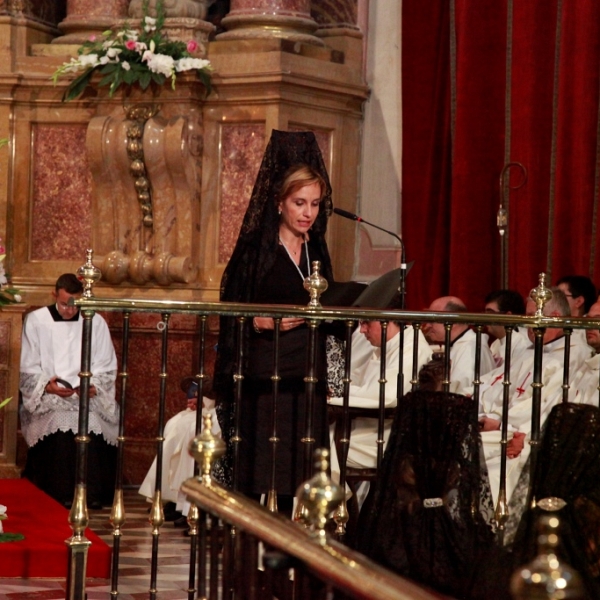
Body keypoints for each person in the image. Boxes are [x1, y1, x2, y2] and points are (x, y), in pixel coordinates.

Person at [215, 130, 335, 512]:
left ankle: (298, 534)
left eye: (315, 204)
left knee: (301, 464)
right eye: (300, 202)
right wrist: (259, 321)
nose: (308, 213)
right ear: (279, 203)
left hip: (307, 370)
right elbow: (231, 308)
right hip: (266, 372)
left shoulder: (316, 249)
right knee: (264, 463)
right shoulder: (256, 250)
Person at [475, 288, 592, 505]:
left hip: (522, 432)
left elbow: (551, 403)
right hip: (498, 423)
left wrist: (504, 424)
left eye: (531, 316)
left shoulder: (570, 354)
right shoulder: (531, 349)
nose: (527, 323)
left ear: (554, 317)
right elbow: (495, 382)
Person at [20, 273, 118, 509]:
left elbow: (107, 365)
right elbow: (28, 366)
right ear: (55, 295)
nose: (70, 311)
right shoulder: (36, 320)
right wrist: (47, 386)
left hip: (87, 394)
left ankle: (92, 493)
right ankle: (58, 491)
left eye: (74, 304)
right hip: (51, 395)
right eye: (65, 304)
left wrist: (94, 387)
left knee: (90, 418)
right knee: (58, 421)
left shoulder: (95, 321)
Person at [328, 318, 432, 482]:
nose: (361, 330)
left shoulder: (411, 347)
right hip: (369, 425)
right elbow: (358, 382)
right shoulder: (389, 343)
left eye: (366, 323)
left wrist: (335, 394)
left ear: (388, 321)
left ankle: (334, 504)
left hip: (388, 435)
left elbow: (387, 397)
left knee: (319, 444)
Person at [139, 377, 220, 524]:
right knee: (174, 424)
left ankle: (187, 505)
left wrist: (205, 399)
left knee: (193, 430)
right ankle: (173, 498)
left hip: (219, 409)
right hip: (211, 404)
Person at [422, 295, 495, 391]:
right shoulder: (461, 345)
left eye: (433, 320)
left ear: (454, 320)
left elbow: (459, 395)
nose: (427, 325)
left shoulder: (470, 350)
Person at [483, 289, 529, 367]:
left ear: (508, 316)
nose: (485, 318)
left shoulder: (522, 342)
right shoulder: (495, 344)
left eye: (490, 313)